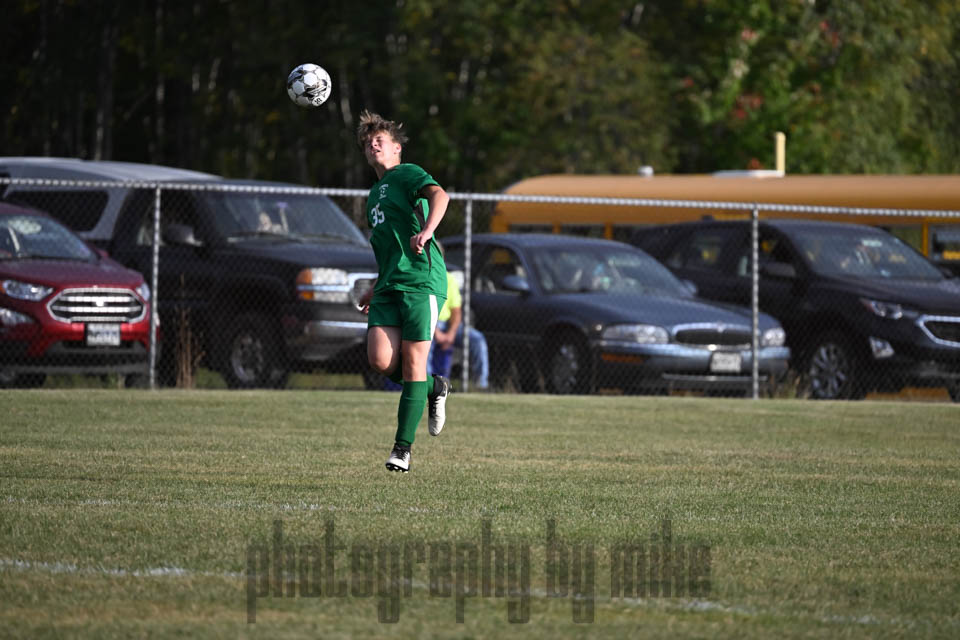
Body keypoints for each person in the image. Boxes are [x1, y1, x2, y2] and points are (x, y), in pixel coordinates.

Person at [355, 110, 451, 473]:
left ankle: (402, 449)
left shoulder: (406, 174)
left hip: (421, 280)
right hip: (390, 284)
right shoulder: (373, 195)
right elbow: (388, 247)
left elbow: (440, 196)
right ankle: (434, 388)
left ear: (397, 149)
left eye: (380, 139)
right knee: (380, 361)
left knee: (412, 364)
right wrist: (376, 286)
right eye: (368, 142)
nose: (372, 144)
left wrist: (427, 232)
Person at [428, 267, 490, 391]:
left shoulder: (448, 279)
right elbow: (421, 311)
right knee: (423, 344)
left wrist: (451, 333)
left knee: (477, 339)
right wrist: (435, 332)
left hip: (447, 324)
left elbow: (456, 312)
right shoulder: (422, 277)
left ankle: (480, 385)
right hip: (428, 324)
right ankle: (426, 385)